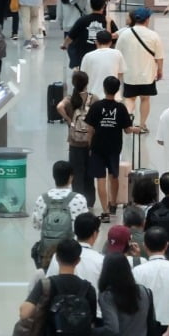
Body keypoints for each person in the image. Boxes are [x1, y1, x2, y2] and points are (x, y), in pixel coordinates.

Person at [86, 75, 138, 223]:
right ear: (117, 90)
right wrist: (136, 129)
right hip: (114, 147)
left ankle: (105, 211)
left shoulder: (96, 106)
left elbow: (90, 128)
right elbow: (127, 130)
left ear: (104, 88)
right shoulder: (120, 108)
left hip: (97, 146)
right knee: (114, 175)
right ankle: (113, 203)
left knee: (100, 178)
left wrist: (90, 145)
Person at [114, 7, 164, 127]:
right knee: (145, 99)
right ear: (147, 20)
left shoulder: (124, 34)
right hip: (147, 74)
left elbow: (117, 54)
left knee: (130, 98)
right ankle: (142, 124)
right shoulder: (153, 35)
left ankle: (128, 120)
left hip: (130, 74)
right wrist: (160, 70)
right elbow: (159, 57)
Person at [57, 71, 98, 209]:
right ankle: (90, 202)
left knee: (76, 174)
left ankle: (77, 202)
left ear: (73, 83)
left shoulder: (70, 99)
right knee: (89, 174)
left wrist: (69, 120)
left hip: (75, 143)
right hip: (90, 142)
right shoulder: (93, 99)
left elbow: (59, 107)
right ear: (86, 83)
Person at [79, 29, 125, 100]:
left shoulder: (88, 56)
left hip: (93, 97)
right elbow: (120, 74)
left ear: (96, 42)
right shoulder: (117, 54)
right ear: (110, 42)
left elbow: (82, 77)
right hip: (113, 97)